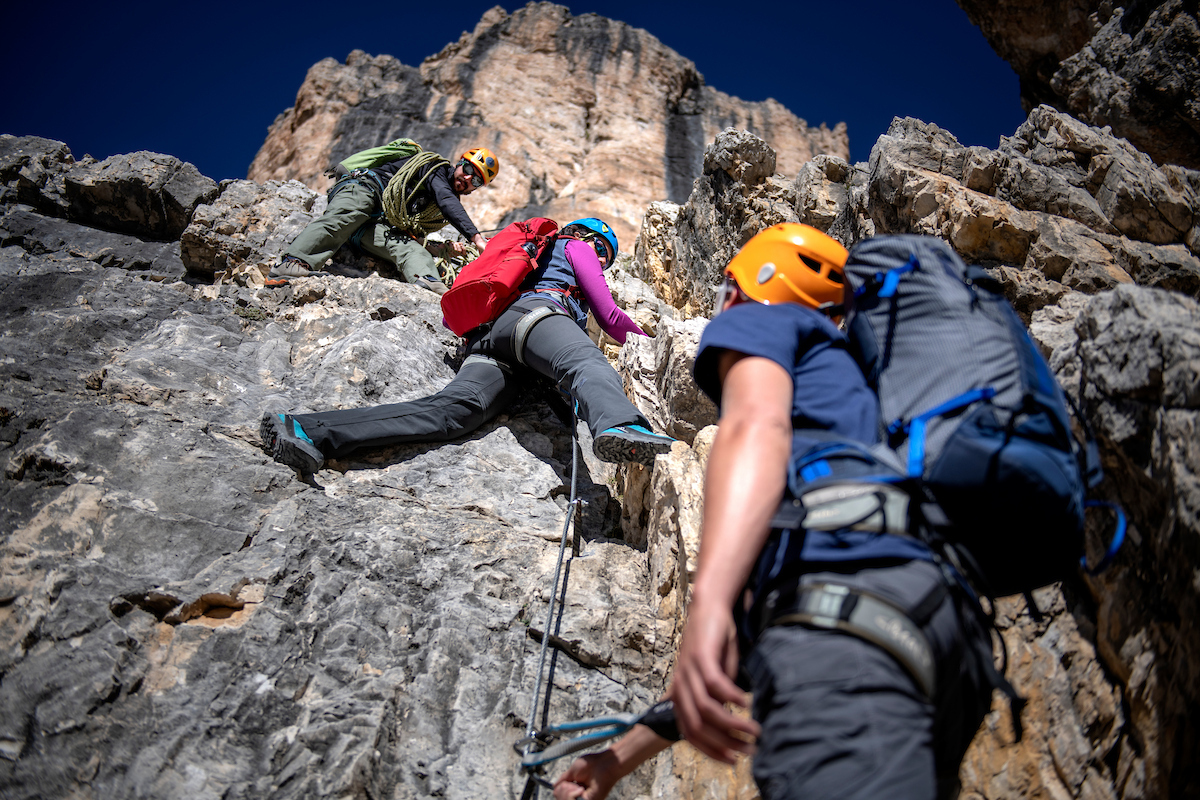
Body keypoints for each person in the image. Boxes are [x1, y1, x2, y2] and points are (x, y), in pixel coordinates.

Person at [553, 224, 993, 800]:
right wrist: (616, 761)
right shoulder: (850, 396)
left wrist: (706, 602)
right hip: (942, 633)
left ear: (754, 279)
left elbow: (756, 425)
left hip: (848, 627)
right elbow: (744, 644)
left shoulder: (763, 316)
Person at [261, 218, 677, 472]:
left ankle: (307, 430)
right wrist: (658, 347)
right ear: (593, 242)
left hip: (490, 341)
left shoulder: (537, 253)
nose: (601, 261)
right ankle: (621, 424)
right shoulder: (577, 247)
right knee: (587, 363)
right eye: (604, 254)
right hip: (538, 319)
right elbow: (609, 316)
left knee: (452, 413)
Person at [272, 141, 499, 295]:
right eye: (468, 168)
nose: (468, 178)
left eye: (476, 181)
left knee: (411, 250)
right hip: (365, 190)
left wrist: (444, 249)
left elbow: (414, 234)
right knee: (352, 212)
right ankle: (293, 263)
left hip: (371, 228)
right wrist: (477, 239)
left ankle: (430, 287)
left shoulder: (438, 209)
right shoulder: (433, 168)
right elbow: (445, 197)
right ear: (459, 162)